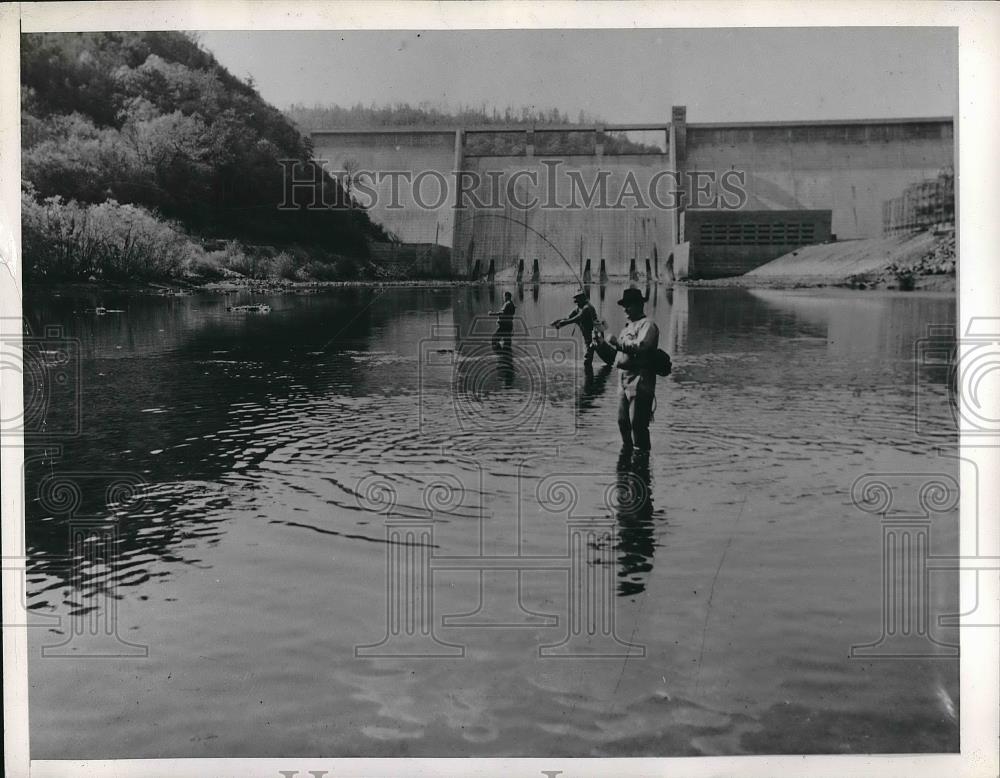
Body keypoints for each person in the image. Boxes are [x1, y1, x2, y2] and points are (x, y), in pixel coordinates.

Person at [594, 287, 659, 454]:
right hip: (623, 380)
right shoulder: (626, 328)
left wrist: (617, 343)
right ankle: (627, 456)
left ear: (640, 305)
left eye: (629, 305)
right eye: (624, 306)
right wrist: (600, 344)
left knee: (637, 423)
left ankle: (641, 459)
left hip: (641, 379)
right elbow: (615, 358)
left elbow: (642, 346)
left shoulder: (648, 325)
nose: (625, 309)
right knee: (623, 422)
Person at [552, 290, 598, 362]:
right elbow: (568, 318)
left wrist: (562, 323)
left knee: (587, 359)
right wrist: (557, 321)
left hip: (594, 338)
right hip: (586, 338)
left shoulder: (587, 308)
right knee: (587, 358)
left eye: (578, 301)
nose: (577, 303)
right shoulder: (578, 308)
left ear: (583, 299)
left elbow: (576, 319)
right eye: (576, 302)